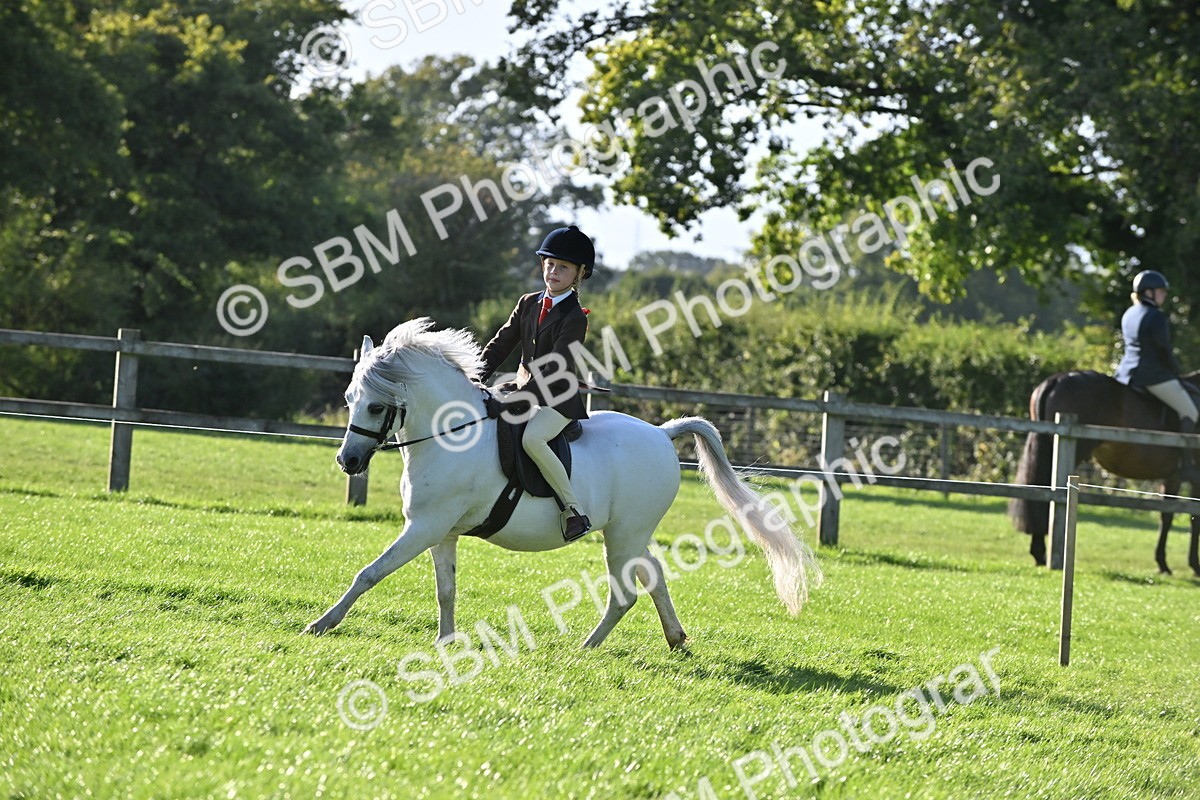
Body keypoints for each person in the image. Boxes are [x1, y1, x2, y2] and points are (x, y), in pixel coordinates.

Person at [480, 225, 595, 541]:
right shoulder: (528, 302)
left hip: (556, 397)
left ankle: (573, 511)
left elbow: (554, 366)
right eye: (550, 264)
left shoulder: (575, 317)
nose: (554, 272)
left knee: (532, 440)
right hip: (521, 387)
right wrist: (475, 374)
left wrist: (520, 399)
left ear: (579, 274)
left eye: (563, 267)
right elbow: (501, 343)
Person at [1114, 269, 1200, 477]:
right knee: (1191, 412)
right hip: (1152, 377)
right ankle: (1187, 465)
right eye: (1161, 291)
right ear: (1149, 292)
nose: (1164, 295)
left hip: (1125, 374)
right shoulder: (1156, 316)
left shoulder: (1129, 313)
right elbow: (1163, 350)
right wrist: (1175, 370)